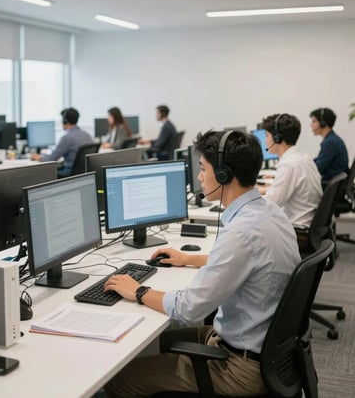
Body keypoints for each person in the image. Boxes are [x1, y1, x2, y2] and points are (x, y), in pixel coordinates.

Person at [104, 130, 301, 397]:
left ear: (223, 175)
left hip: (239, 368)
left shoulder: (240, 233)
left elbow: (189, 308)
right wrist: (188, 259)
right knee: (159, 342)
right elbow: (249, 263)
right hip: (268, 353)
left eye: (203, 169)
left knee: (120, 377)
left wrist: (137, 291)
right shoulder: (269, 213)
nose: (199, 177)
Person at [257, 113, 322, 228]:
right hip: (308, 222)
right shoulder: (302, 157)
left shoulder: (289, 164)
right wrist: (261, 190)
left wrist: (245, 196)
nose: (265, 141)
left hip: (297, 227)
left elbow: (270, 205)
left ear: (278, 138)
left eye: (267, 136)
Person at [31, 107, 93, 177]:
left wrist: (39, 157)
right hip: (84, 174)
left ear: (65, 121)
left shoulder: (67, 138)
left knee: (42, 174)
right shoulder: (87, 135)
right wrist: (44, 155)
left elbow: (52, 159)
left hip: (69, 174)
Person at [310, 107, 349, 185]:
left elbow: (317, 169)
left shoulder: (330, 143)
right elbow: (319, 161)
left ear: (323, 123)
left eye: (314, 121)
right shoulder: (332, 140)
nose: (311, 125)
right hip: (333, 186)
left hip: (327, 185)